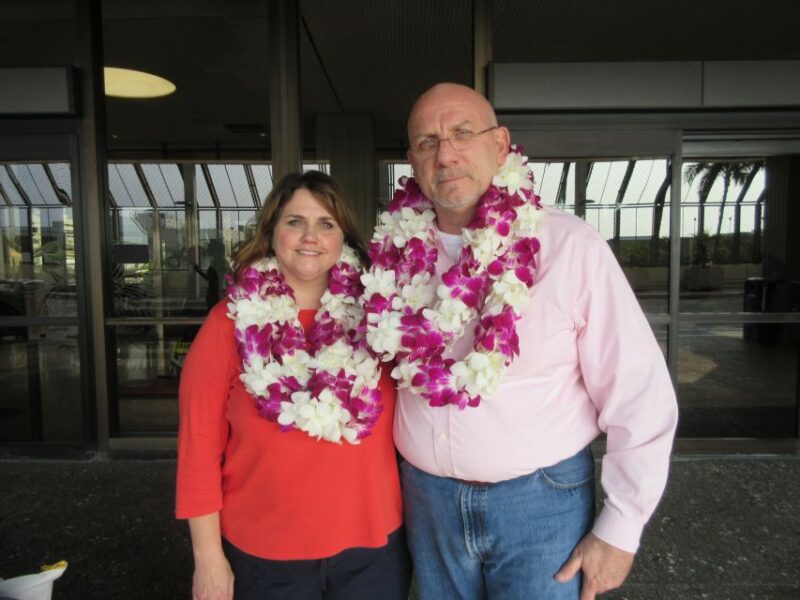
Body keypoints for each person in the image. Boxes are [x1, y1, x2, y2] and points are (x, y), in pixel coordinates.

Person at [362, 82, 678, 599]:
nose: (446, 154)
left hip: (541, 503)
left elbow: (638, 390)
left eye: (463, 133)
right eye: (427, 142)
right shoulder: (389, 258)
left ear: (502, 143)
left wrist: (622, 528)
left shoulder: (570, 247)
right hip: (427, 501)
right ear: (411, 162)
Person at [176, 171, 411, 600]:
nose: (311, 237)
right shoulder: (227, 324)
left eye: (326, 223)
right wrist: (208, 559)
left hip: (372, 551)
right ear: (271, 232)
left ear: (344, 237)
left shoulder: (380, 319)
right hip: (265, 556)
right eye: (295, 221)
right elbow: (198, 448)